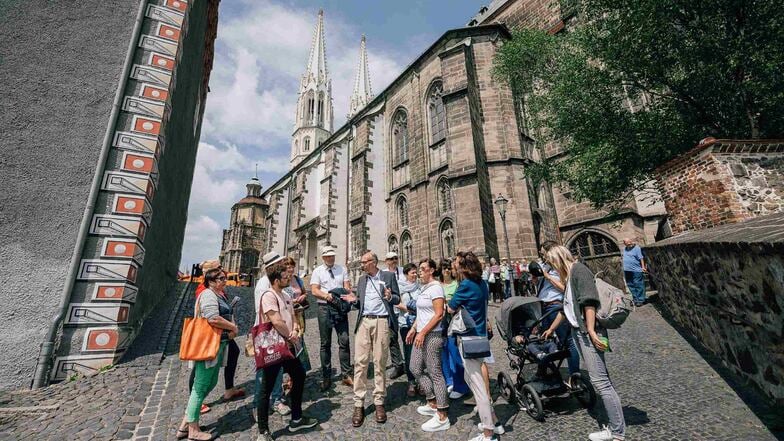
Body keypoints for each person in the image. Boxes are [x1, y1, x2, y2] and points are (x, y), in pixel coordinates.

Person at [542, 245, 626, 441]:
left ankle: (617, 433)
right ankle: (613, 426)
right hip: (579, 331)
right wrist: (552, 329)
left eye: (553, 263)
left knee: (601, 383)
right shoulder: (569, 276)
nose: (553, 268)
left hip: (588, 333)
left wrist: (589, 330)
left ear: (559, 259)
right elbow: (566, 308)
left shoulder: (579, 270)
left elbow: (590, 302)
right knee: (602, 380)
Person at [255, 261, 319, 441]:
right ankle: (263, 431)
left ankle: (297, 419)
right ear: (276, 279)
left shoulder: (286, 295)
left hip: (289, 347)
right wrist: (290, 334)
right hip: (274, 347)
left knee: (299, 375)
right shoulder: (268, 295)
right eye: (285, 277)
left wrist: (297, 328)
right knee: (266, 388)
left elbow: (292, 316)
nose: (289, 279)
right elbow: (275, 321)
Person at [177, 268, 238, 441]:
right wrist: (232, 327)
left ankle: (184, 426)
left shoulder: (218, 294)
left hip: (217, 345)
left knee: (210, 383)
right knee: (201, 386)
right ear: (210, 281)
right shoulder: (208, 295)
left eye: (225, 277)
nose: (224, 280)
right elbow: (212, 318)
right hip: (207, 346)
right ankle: (193, 431)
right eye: (221, 278)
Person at [448, 252, 504, 441]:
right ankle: (494, 421)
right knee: (472, 377)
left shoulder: (464, 285)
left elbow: (450, 307)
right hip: (480, 336)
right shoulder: (482, 284)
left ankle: (488, 432)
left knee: (477, 385)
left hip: (469, 338)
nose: (454, 267)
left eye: (457, 265)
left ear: (463, 267)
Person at [341, 252, 400, 427]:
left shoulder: (388, 276)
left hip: (382, 321)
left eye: (364, 262)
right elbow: (360, 302)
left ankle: (379, 401)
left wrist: (390, 297)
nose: (361, 265)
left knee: (380, 361)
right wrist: (354, 300)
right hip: (364, 322)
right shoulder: (361, 280)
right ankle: (358, 403)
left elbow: (397, 298)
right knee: (360, 362)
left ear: (373, 263)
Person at [189, 260, 244, 416]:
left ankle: (229, 388)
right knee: (200, 371)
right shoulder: (204, 290)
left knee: (233, 352)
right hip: (211, 335)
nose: (223, 271)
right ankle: (194, 404)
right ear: (211, 276)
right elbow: (211, 316)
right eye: (219, 270)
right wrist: (231, 326)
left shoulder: (217, 289)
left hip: (221, 333)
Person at [406, 258, 450, 432]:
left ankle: (443, 415)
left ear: (432, 270)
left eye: (423, 269)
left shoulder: (436, 288)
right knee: (415, 368)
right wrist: (414, 328)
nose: (419, 272)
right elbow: (422, 313)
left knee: (435, 373)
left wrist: (423, 332)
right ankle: (432, 401)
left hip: (432, 335)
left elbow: (439, 314)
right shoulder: (424, 288)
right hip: (421, 334)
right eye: (419, 269)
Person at [309, 245, 353, 391]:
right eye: (328, 256)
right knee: (325, 343)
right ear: (323, 258)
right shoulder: (318, 271)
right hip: (324, 308)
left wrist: (348, 293)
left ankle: (346, 374)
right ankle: (326, 376)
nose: (331, 258)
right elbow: (314, 290)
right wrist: (327, 296)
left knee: (344, 340)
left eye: (332, 256)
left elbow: (347, 286)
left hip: (339, 307)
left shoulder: (342, 269)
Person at [533, 241, 579, 377]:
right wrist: (537, 280)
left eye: (544, 253)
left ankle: (574, 375)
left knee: (568, 341)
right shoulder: (546, 265)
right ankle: (548, 372)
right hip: (543, 305)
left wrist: (547, 277)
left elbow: (565, 289)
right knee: (543, 339)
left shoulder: (562, 266)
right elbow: (542, 286)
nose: (543, 257)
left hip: (556, 305)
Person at [254, 253, 290, 416]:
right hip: (268, 333)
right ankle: (260, 405)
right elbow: (267, 313)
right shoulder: (265, 284)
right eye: (281, 263)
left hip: (276, 332)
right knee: (265, 371)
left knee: (277, 368)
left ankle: (275, 398)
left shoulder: (272, 282)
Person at [439, 258, 470, 401]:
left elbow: (458, 303)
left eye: (448, 268)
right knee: (443, 353)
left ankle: (461, 385)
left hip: (453, 323)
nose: (446, 270)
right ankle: (449, 381)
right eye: (444, 268)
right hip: (439, 324)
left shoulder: (456, 284)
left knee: (454, 352)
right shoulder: (437, 285)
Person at [394, 262, 421, 397]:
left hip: (419, 324)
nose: (415, 275)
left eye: (416, 272)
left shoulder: (420, 287)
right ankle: (411, 381)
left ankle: (421, 380)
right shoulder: (399, 287)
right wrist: (411, 308)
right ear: (406, 274)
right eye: (412, 273)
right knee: (409, 353)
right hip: (405, 323)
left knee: (420, 353)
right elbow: (396, 304)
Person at [384, 251, 406, 379]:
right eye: (390, 259)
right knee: (392, 338)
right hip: (391, 311)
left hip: (404, 309)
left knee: (406, 338)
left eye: (395, 258)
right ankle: (398, 365)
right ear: (386, 261)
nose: (393, 260)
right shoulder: (383, 274)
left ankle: (410, 362)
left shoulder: (403, 271)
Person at [622, 238, 647, 307]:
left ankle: (641, 300)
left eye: (630, 242)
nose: (629, 244)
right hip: (627, 270)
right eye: (627, 243)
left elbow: (641, 258)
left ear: (631, 241)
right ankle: (635, 299)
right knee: (630, 285)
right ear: (625, 243)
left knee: (638, 284)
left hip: (636, 270)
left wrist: (643, 267)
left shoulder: (637, 248)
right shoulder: (624, 249)